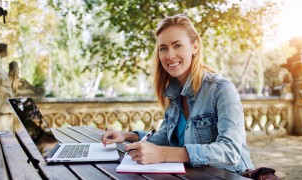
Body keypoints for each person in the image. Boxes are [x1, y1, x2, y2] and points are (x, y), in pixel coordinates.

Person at [101, 14, 254, 175]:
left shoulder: (221, 89)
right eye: (163, 48)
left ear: (195, 47)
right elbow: (165, 137)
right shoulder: (173, 93)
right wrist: (126, 136)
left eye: (177, 45)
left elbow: (230, 151)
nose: (169, 55)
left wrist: (163, 154)